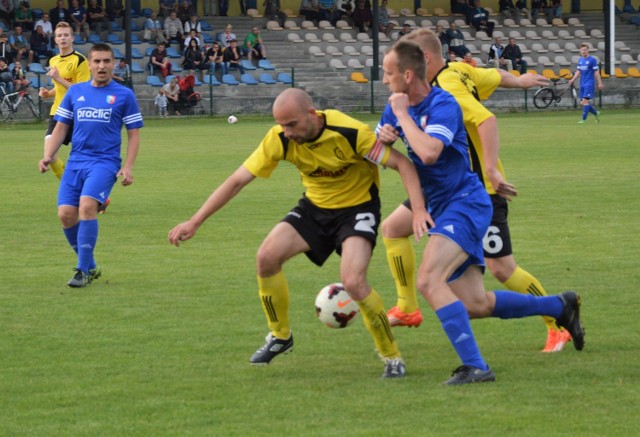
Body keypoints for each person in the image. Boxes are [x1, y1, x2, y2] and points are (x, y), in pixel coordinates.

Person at [168, 87, 428, 378]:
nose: (287, 132)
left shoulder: (352, 132)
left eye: (291, 124)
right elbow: (237, 180)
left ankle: (391, 357)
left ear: (311, 114)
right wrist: (196, 221)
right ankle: (280, 336)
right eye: (282, 125)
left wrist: (418, 209)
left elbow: (402, 164)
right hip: (315, 208)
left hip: (357, 209)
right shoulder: (279, 138)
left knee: (353, 281)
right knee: (266, 257)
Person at [378, 39, 585, 384]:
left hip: (466, 203)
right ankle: (559, 306)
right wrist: (386, 142)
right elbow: (392, 158)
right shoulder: (395, 106)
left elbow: (428, 153)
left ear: (408, 74)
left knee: (430, 280)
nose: (384, 80)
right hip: (439, 204)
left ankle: (476, 367)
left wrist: (400, 119)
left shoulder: (443, 102)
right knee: (476, 305)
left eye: (388, 73)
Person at [38, 43, 143, 288]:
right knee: (65, 214)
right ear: (91, 64)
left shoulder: (124, 95)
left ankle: (82, 271)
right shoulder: (76, 93)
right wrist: (48, 155)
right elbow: (61, 126)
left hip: (105, 163)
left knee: (87, 207)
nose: (102, 66)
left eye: (107, 61)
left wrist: (128, 166)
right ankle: (91, 264)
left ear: (113, 64)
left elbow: (134, 134)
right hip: (76, 162)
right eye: (97, 61)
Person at [38, 22, 92, 196]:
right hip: (58, 113)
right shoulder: (53, 60)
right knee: (50, 155)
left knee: (84, 159)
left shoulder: (80, 60)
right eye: (59, 35)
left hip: (77, 114)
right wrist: (48, 94)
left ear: (72, 38)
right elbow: (60, 89)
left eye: (66, 35)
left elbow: (83, 91)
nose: (63, 38)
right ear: (55, 39)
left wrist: (59, 79)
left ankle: (94, 195)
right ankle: (78, 192)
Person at [568, 43, 604, 124]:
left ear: (588, 50)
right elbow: (578, 71)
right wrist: (572, 79)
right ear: (580, 51)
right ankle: (596, 113)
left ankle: (583, 119)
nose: (583, 51)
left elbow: (596, 72)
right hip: (582, 83)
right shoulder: (580, 60)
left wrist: (600, 83)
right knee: (582, 102)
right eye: (582, 50)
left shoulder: (592, 60)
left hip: (589, 82)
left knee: (585, 102)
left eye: (585, 50)